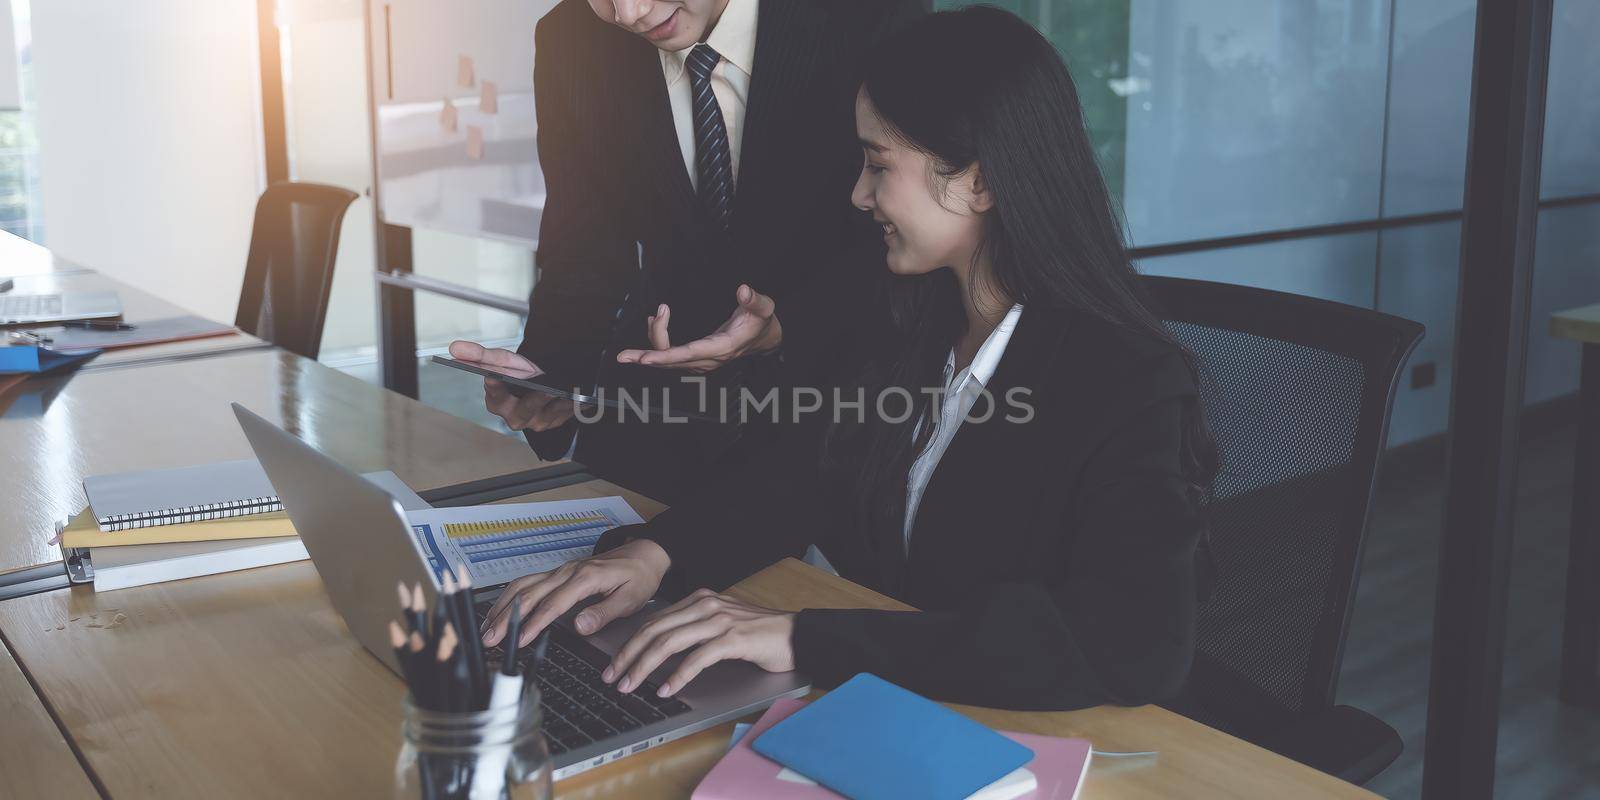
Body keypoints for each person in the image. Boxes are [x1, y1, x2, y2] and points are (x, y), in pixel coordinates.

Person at [479, 6, 1219, 711]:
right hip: (911, 713)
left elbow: (1134, 644)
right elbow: (792, 477)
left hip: (1056, 744)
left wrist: (804, 637)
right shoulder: (907, 327)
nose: (857, 195)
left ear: (982, 180)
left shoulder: (1127, 383)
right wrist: (653, 556)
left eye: (876, 164)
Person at [450, 0, 921, 503]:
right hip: (651, 424)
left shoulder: (868, 16)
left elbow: (913, 235)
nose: (629, 13)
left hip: (836, 415)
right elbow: (582, 248)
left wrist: (788, 325)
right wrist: (552, 376)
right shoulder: (573, 40)